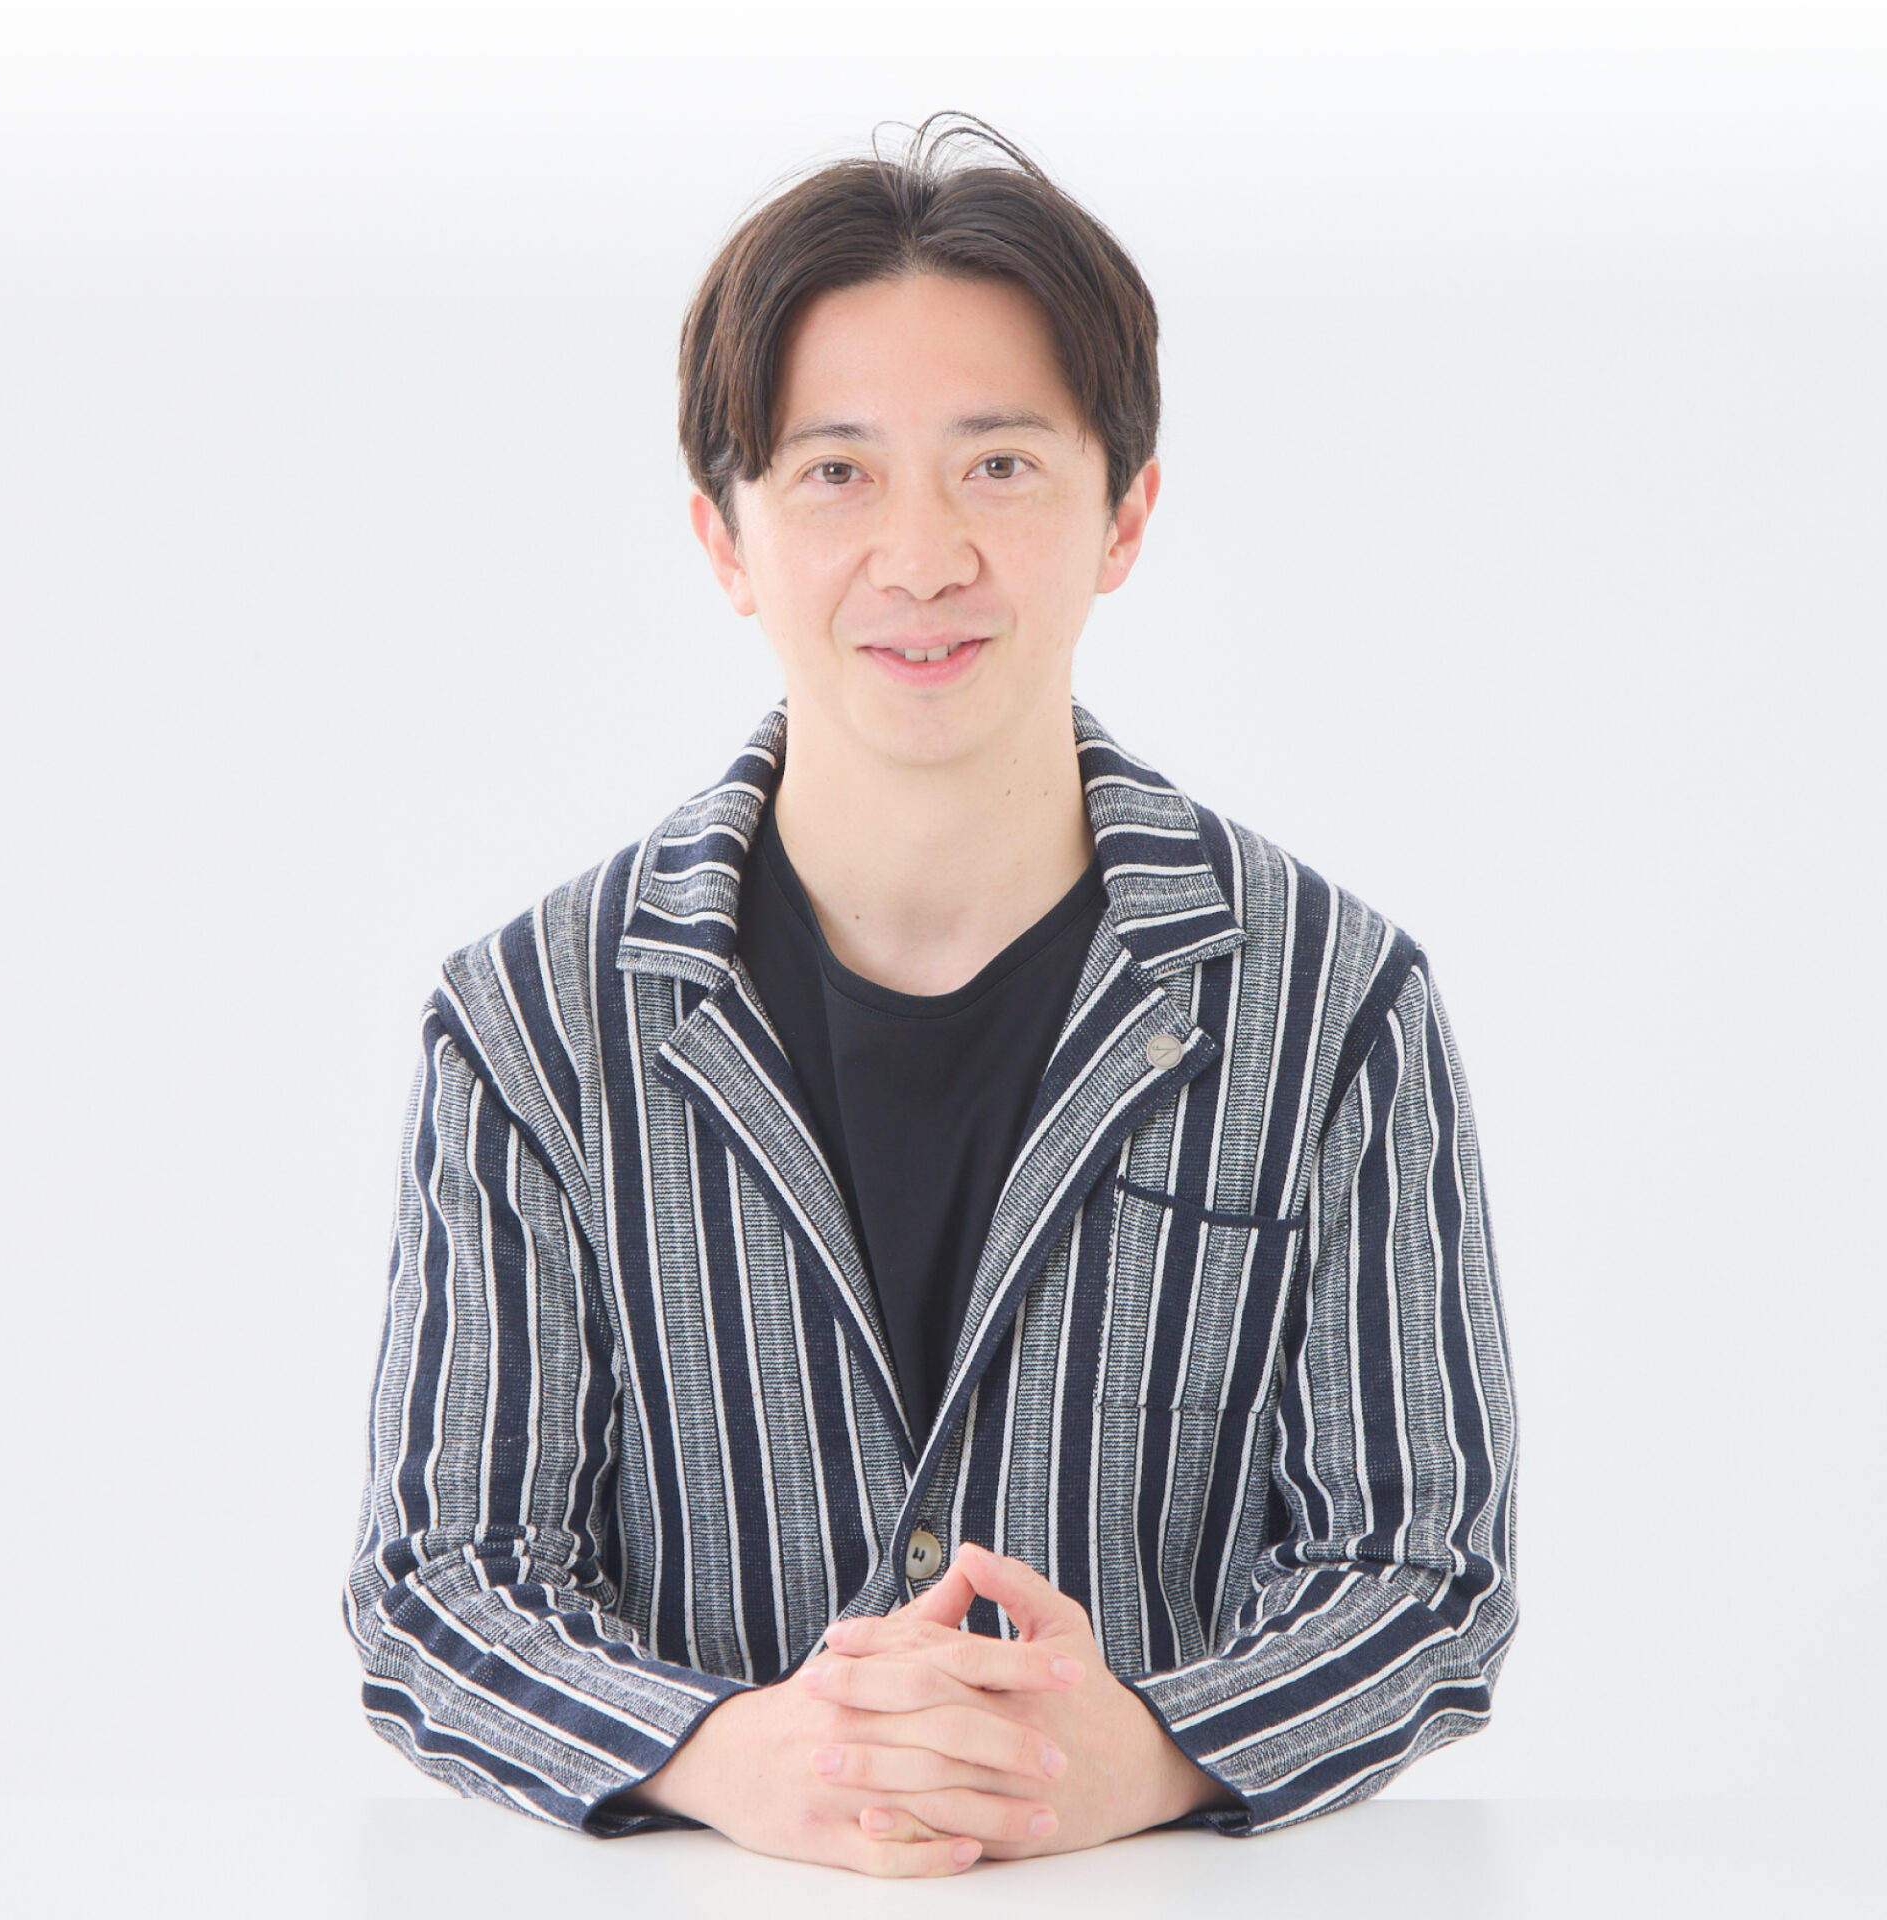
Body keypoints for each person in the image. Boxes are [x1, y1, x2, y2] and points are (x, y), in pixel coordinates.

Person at [344, 115, 1518, 1879]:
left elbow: (1427, 1566)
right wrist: (737, 1756)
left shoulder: (1337, 1007)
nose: (921, 556)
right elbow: (438, 1581)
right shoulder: (530, 1029)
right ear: (725, 538)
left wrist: (1140, 1753)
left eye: (1000, 465)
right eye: (836, 472)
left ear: (1123, 514)